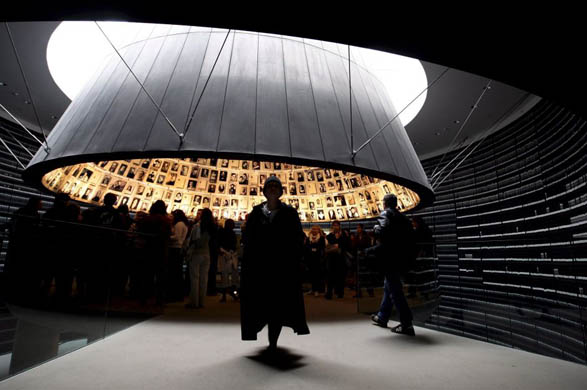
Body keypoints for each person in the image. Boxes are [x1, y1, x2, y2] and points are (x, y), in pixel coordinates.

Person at [240, 176, 309, 351]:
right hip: (260, 267)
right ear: (263, 191)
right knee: (262, 303)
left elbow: (297, 238)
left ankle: (273, 341)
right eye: (269, 186)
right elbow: (248, 238)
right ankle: (264, 334)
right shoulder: (256, 212)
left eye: (275, 186)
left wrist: (294, 258)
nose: (272, 189)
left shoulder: (290, 213)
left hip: (281, 267)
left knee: (277, 306)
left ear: (280, 191)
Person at [367, 194, 416, 336]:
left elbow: (382, 232)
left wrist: (375, 228)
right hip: (402, 258)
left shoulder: (386, 214)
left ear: (385, 203)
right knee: (389, 286)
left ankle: (407, 324)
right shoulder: (404, 218)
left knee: (395, 291)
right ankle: (382, 316)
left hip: (390, 258)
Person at [184, 208, 214, 309]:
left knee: (195, 278)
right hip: (207, 253)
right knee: (204, 279)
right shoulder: (212, 226)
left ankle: (194, 302)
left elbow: (195, 240)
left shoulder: (197, 226)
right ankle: (202, 301)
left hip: (197, 254)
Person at [325, 220, 351, 299]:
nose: (335, 227)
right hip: (331, 258)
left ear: (339, 226)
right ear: (332, 226)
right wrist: (335, 246)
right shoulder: (329, 236)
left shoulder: (343, 235)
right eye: (334, 225)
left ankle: (340, 292)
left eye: (337, 225)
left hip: (341, 259)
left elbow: (347, 245)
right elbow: (327, 246)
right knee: (330, 277)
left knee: (340, 277)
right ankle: (329, 293)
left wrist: (337, 245)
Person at [168, 209, 189, 302]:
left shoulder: (179, 224)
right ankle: (177, 294)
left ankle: (175, 294)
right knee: (176, 272)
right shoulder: (182, 224)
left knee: (174, 272)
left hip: (175, 248)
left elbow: (177, 237)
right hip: (177, 248)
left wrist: (166, 236)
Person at [217, 219, 239, 302]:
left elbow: (218, 243)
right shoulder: (232, 233)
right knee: (234, 275)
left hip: (224, 254)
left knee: (224, 275)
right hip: (232, 255)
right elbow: (234, 245)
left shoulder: (221, 232)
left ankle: (224, 295)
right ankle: (233, 292)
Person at [304, 225, 325, 297]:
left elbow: (322, 248)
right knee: (311, 275)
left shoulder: (321, 238)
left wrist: (314, 245)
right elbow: (306, 247)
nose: (314, 230)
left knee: (317, 275)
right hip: (310, 259)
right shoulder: (308, 238)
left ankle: (317, 290)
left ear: (319, 230)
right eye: (313, 229)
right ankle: (312, 289)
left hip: (318, 259)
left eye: (316, 229)